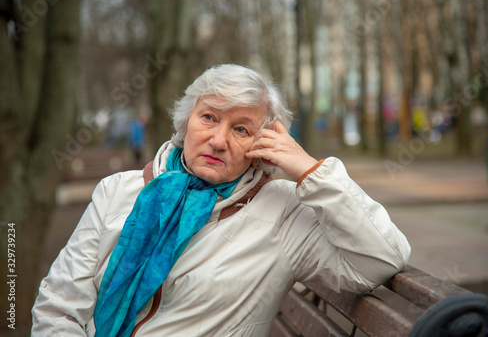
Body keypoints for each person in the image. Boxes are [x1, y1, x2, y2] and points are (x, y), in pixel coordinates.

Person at [32, 64, 411, 337]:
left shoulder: (281, 214)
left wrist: (312, 172)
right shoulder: (118, 190)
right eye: (209, 118)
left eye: (241, 129)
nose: (218, 140)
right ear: (186, 123)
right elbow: (59, 306)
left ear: (265, 145)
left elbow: (382, 258)